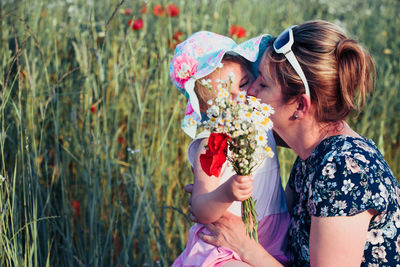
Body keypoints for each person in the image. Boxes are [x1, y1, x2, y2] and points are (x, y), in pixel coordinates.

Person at [187, 21, 400, 266]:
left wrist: (245, 246)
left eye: (263, 84)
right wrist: (215, 198)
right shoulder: (315, 155)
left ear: (300, 105)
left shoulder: (344, 171)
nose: (251, 91)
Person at [169, 31, 290, 266]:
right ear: (205, 106)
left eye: (244, 84)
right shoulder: (212, 143)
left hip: (272, 236)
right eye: (224, 97)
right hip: (224, 242)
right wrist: (226, 193)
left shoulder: (262, 121)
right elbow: (201, 208)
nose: (240, 98)